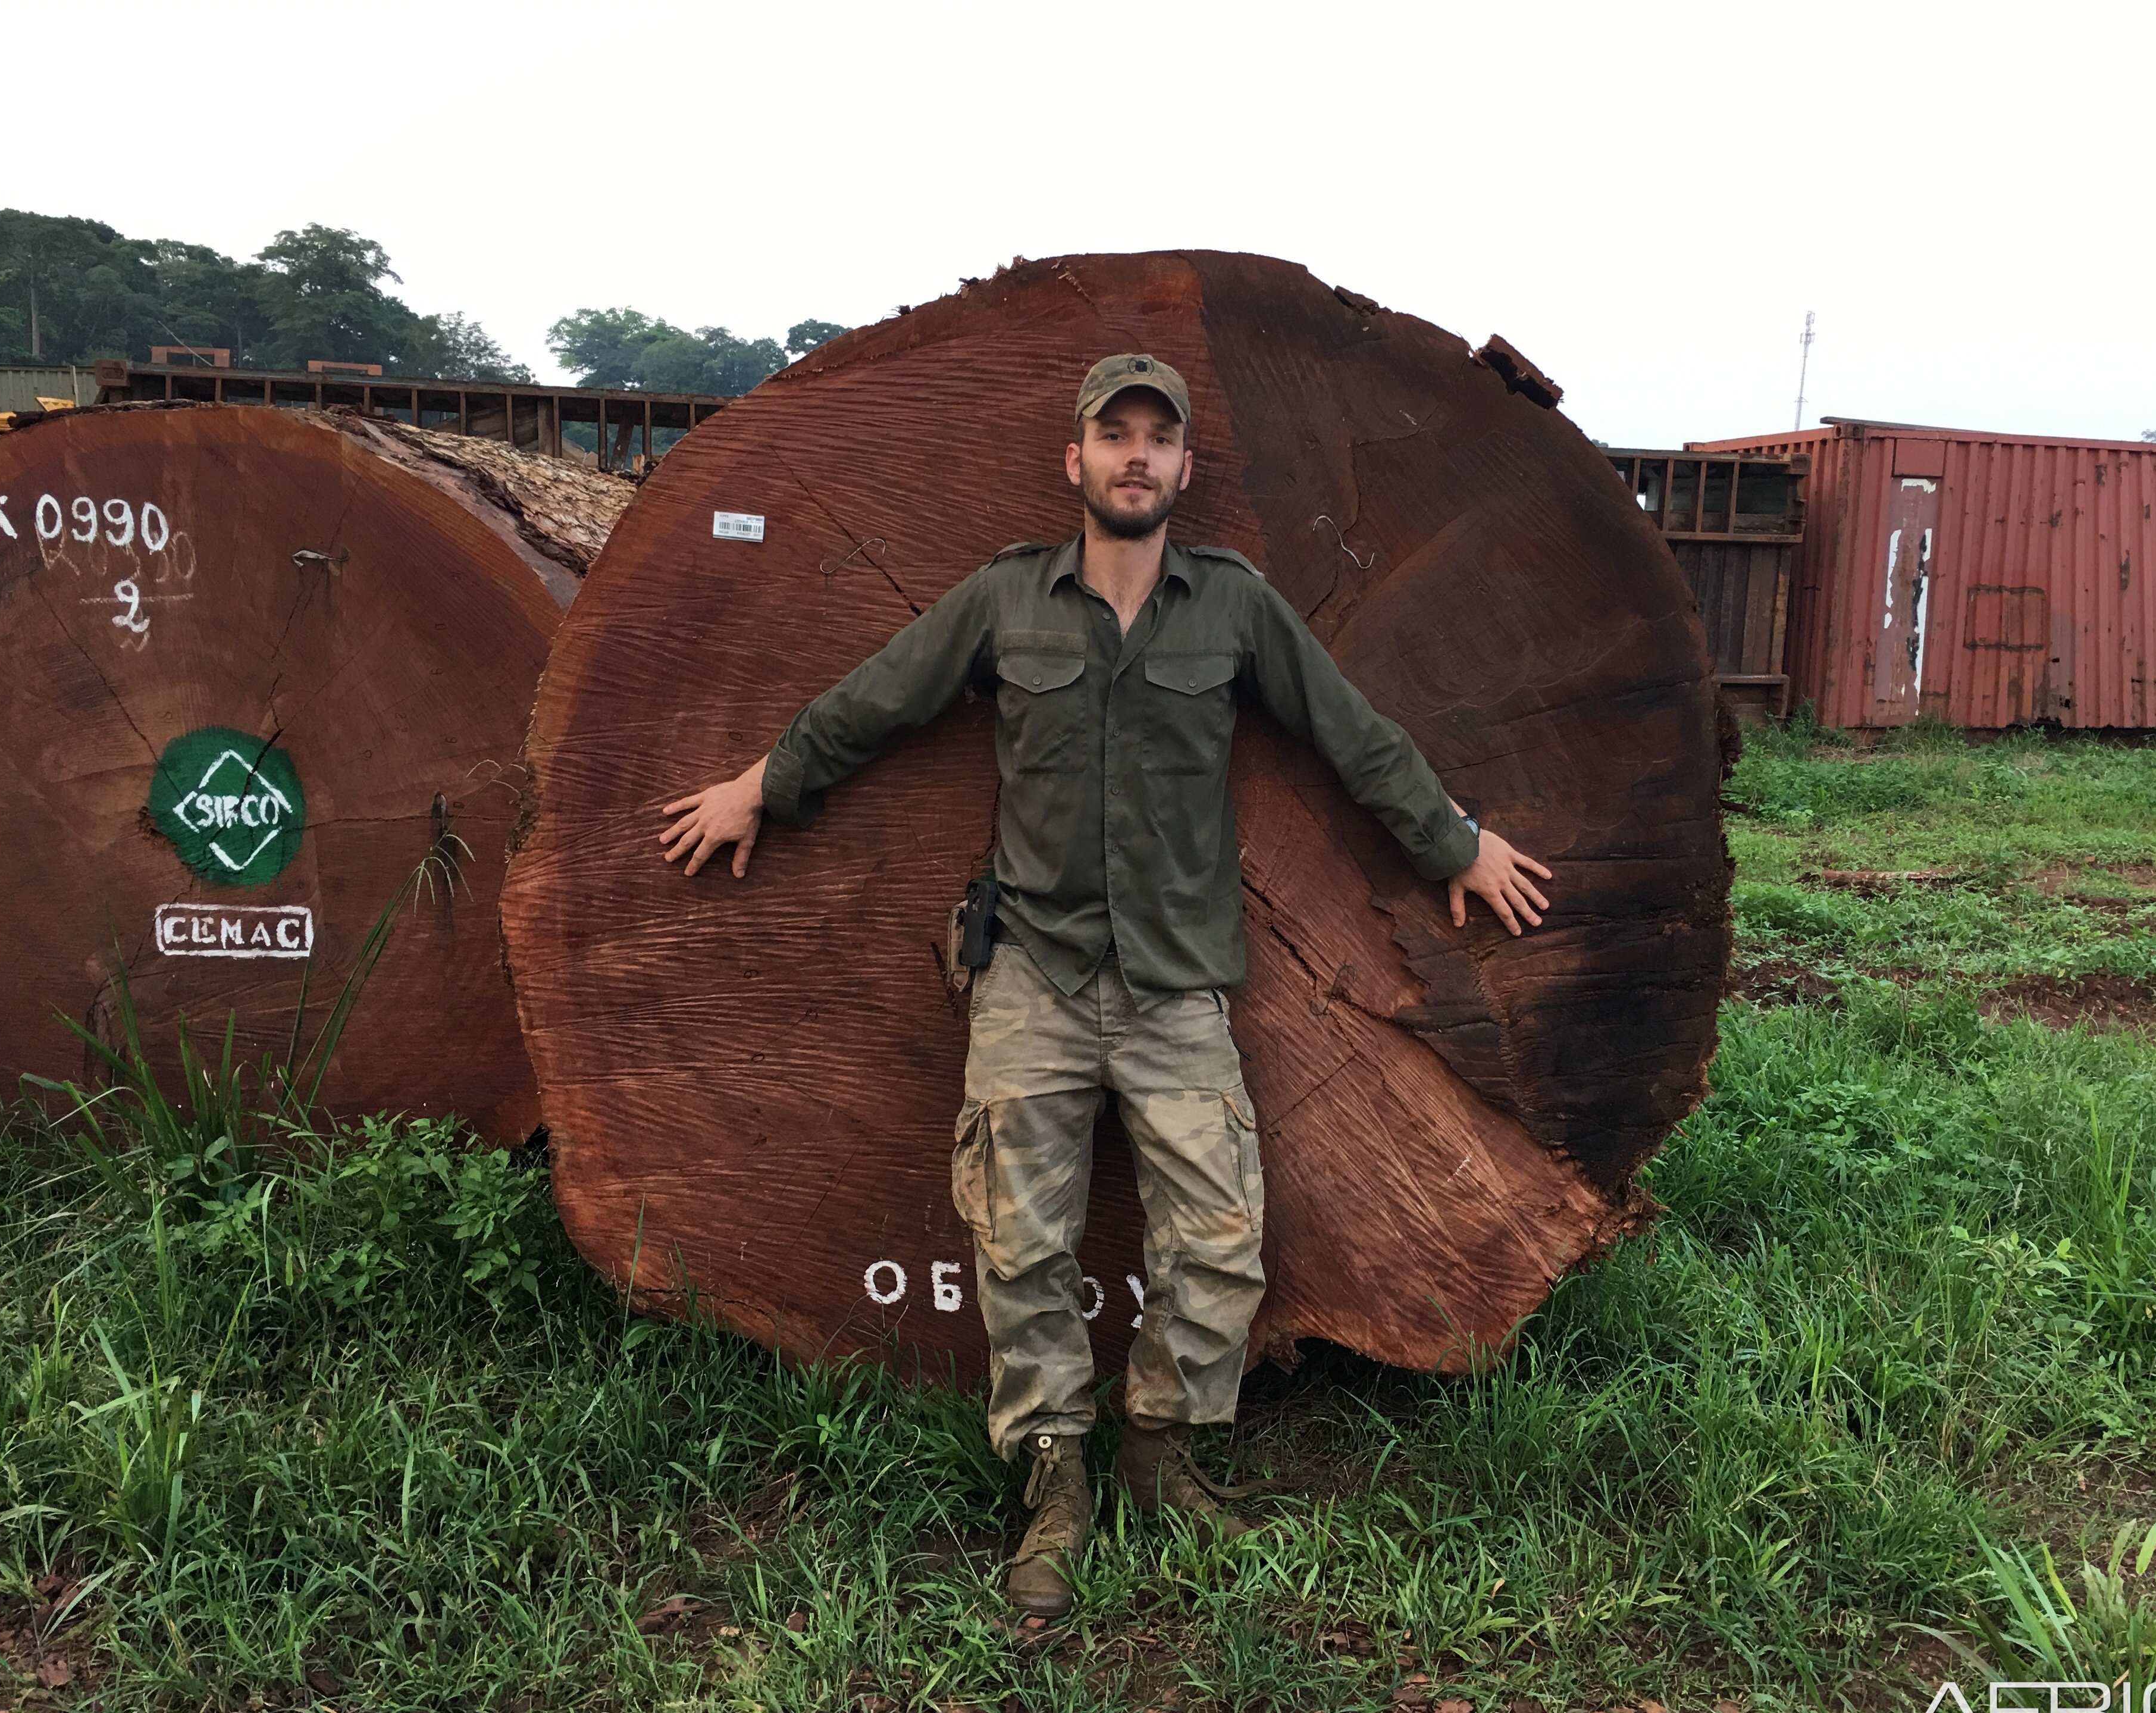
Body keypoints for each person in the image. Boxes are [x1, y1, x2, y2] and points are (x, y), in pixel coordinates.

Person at [656, 353, 1553, 1618]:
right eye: (1113, 436)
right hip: (1031, 968)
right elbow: (880, 700)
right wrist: (767, 783)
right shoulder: (1008, 601)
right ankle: (1052, 1479)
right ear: (1074, 462)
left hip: (1177, 979)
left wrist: (1455, 842)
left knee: (1221, 1229)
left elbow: (1351, 734)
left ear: (1186, 468)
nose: (1136, 456)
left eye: (1157, 439)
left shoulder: (1233, 607)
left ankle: (1162, 1450)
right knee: (1020, 1243)